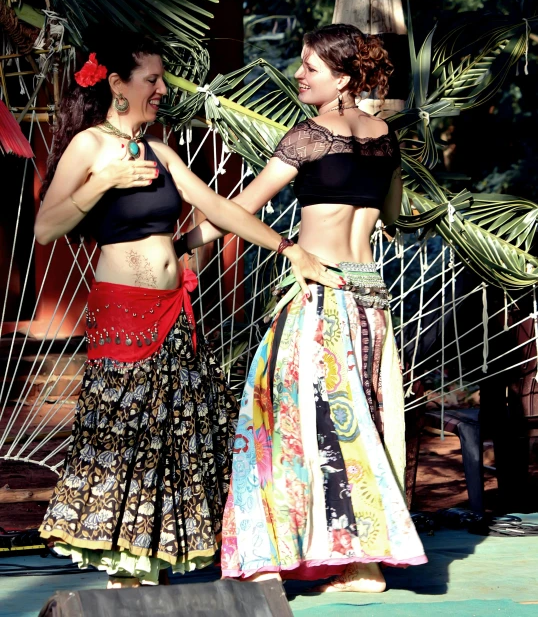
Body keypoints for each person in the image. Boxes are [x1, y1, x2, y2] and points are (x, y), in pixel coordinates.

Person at [35, 32, 341, 587]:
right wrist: (102, 182)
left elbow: (221, 209)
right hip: (124, 314)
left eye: (161, 79)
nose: (160, 89)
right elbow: (44, 228)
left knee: (176, 432)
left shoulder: (163, 153)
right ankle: (123, 566)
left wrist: (287, 247)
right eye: (151, 79)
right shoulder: (90, 147)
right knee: (124, 430)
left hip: (173, 312)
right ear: (117, 85)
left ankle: (159, 557)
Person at [183, 23, 427, 592]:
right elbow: (391, 214)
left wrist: (179, 247)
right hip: (370, 298)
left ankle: (269, 556)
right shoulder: (386, 136)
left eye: (310, 67)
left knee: (280, 423)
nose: (298, 74)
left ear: (341, 78)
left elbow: (238, 210)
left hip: (317, 296)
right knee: (362, 420)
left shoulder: (308, 136)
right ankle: (363, 563)